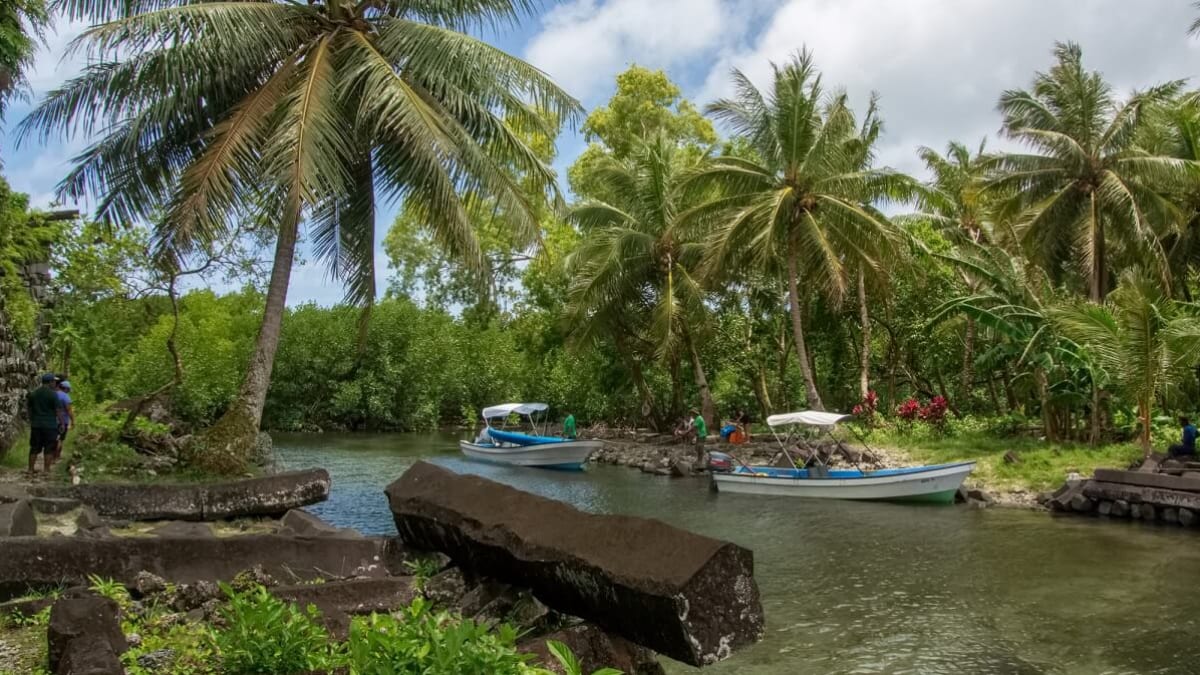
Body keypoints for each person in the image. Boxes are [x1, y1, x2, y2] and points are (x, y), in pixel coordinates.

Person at [27, 373, 60, 474]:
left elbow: (29, 409)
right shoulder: (53, 394)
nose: (55, 383)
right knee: (49, 447)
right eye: (54, 381)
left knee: (34, 447)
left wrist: (32, 419)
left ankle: (30, 469)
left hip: (36, 424)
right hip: (50, 425)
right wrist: (61, 423)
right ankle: (46, 470)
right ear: (50, 382)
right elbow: (58, 411)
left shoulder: (34, 393)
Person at [54, 379, 75, 463]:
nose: (69, 391)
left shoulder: (54, 394)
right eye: (69, 389)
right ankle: (56, 456)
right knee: (60, 439)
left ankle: (51, 456)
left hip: (52, 420)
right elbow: (69, 410)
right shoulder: (65, 397)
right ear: (66, 388)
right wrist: (73, 421)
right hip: (63, 421)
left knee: (53, 439)